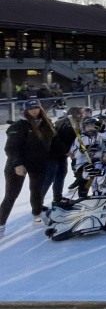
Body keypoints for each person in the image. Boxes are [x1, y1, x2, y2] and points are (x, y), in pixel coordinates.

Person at [1, 100, 65, 235]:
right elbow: (11, 148)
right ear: (26, 111)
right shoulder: (20, 125)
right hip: (18, 164)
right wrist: (18, 164)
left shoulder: (47, 124)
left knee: (37, 191)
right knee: (12, 194)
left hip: (38, 163)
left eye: (36, 107)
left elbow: (54, 142)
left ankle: (37, 213)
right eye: (31, 108)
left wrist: (66, 151)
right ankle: (1, 222)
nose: (34, 110)